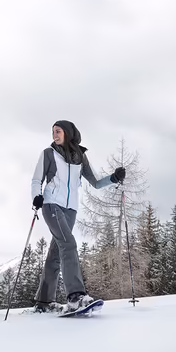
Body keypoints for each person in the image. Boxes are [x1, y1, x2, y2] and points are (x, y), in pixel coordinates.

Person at [30, 120, 125, 314]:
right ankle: (76, 296)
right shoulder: (48, 154)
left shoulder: (80, 157)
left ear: (68, 133)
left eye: (58, 131)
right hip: (51, 204)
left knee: (56, 254)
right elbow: (36, 179)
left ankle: (43, 302)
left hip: (70, 209)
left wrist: (114, 178)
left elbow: (96, 182)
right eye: (53, 132)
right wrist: (36, 196)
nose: (55, 135)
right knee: (69, 244)